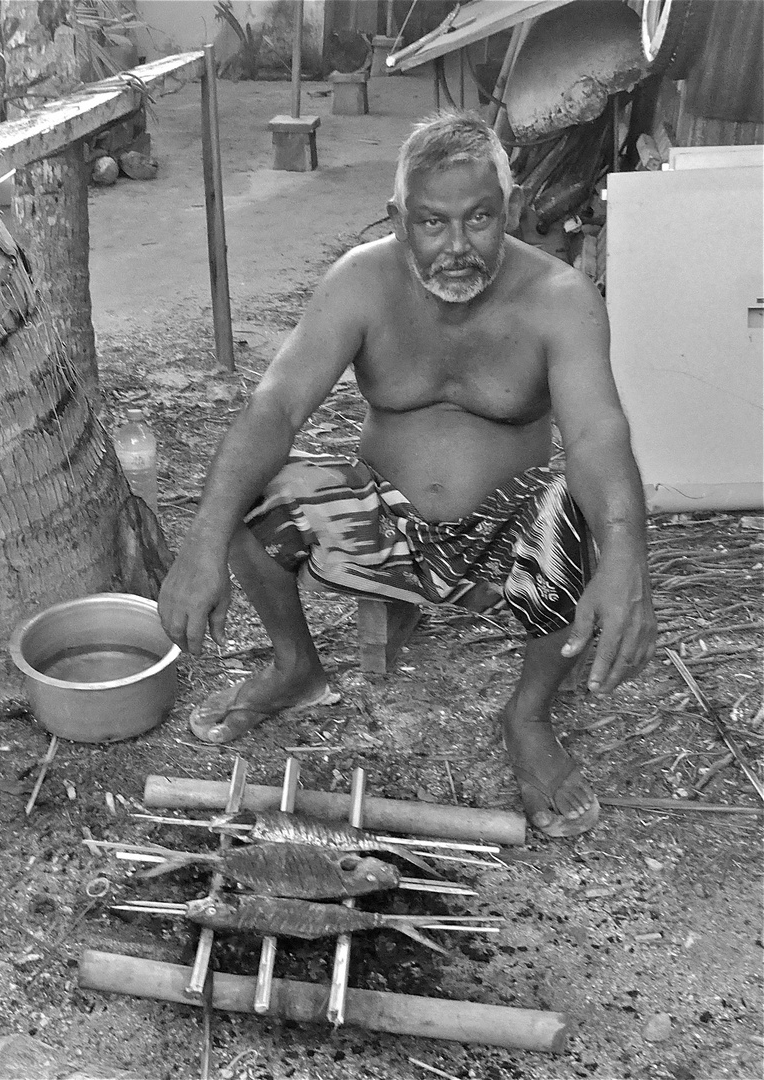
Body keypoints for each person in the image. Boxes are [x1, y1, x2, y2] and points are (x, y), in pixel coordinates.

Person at [158, 112, 656, 839]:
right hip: (381, 525)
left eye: (480, 218)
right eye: (432, 222)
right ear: (398, 218)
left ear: (508, 211)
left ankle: (527, 714)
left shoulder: (560, 298)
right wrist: (202, 541)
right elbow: (279, 405)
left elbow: (595, 434)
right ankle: (298, 668)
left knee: (578, 517)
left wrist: (628, 557)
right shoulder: (360, 282)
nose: (458, 246)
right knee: (252, 501)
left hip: (508, 541)